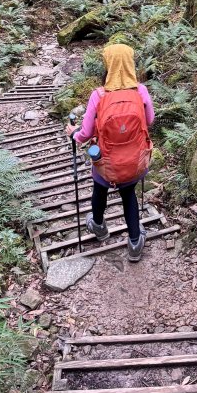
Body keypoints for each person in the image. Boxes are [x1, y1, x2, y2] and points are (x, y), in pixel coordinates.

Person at [65, 42, 154, 262]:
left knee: (100, 188)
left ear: (108, 64)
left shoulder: (99, 95)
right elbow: (149, 120)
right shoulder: (140, 91)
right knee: (128, 194)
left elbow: (85, 133)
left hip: (106, 160)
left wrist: (73, 133)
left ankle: (98, 226)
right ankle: (134, 243)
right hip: (134, 159)